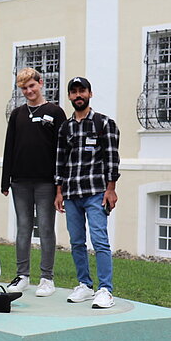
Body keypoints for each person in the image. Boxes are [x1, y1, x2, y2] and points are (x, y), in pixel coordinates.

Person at [54, 76, 120, 309]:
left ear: (90, 94)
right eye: (74, 92)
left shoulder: (104, 123)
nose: (78, 95)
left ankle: (105, 290)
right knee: (77, 241)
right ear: (70, 96)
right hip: (71, 193)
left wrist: (111, 189)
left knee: (100, 240)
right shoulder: (66, 128)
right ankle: (84, 284)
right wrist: (59, 191)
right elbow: (60, 161)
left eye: (82, 91)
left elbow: (112, 158)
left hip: (96, 192)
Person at [2, 67, 67, 297]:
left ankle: (47, 278)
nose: (29, 91)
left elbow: (63, 150)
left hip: (46, 183)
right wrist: (5, 180)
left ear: (40, 83)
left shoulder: (55, 112)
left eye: (32, 85)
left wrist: (61, 185)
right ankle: (22, 276)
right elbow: (9, 147)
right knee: (23, 228)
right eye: (24, 88)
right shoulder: (17, 114)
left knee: (47, 228)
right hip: (20, 182)